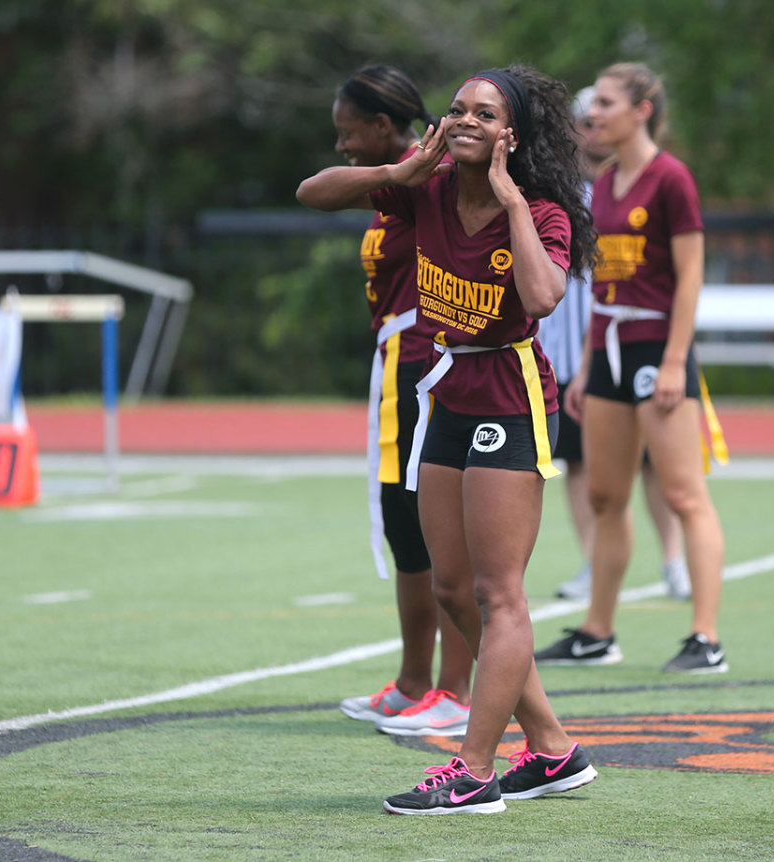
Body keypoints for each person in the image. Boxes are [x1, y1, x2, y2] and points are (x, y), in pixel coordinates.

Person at [297, 64, 599, 815]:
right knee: (451, 587)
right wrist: (402, 166)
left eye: (485, 114)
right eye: (457, 109)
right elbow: (312, 193)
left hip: (509, 396)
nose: (464, 120)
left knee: (500, 595)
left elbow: (539, 297)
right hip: (446, 395)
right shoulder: (423, 192)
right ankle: (555, 751)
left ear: (512, 136)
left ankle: (473, 771)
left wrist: (511, 204)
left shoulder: (541, 210)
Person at [534, 63, 728, 674]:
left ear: (642, 110)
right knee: (603, 494)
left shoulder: (671, 179)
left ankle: (705, 639)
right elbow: (600, 287)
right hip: (610, 349)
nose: (594, 115)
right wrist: (589, 367)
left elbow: (691, 276)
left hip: (656, 350)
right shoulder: (606, 181)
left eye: (608, 104)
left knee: (681, 493)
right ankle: (598, 632)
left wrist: (674, 361)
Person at [324, 66, 474, 737]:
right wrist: (401, 170)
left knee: (440, 535)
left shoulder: (441, 183)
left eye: (348, 133)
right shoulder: (404, 182)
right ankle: (415, 680)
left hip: (429, 367)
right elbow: (312, 192)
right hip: (395, 368)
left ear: (383, 127)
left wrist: (421, 167)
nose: (340, 146)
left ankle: (455, 688)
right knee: (403, 526)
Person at [541, 85, 691, 610]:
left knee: (656, 463)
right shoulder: (563, 189)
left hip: (627, 341)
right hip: (571, 349)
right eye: (583, 120)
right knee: (580, 465)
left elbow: (679, 271)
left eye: (599, 115)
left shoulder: (638, 184)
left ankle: (674, 560)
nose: (589, 128)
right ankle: (593, 565)